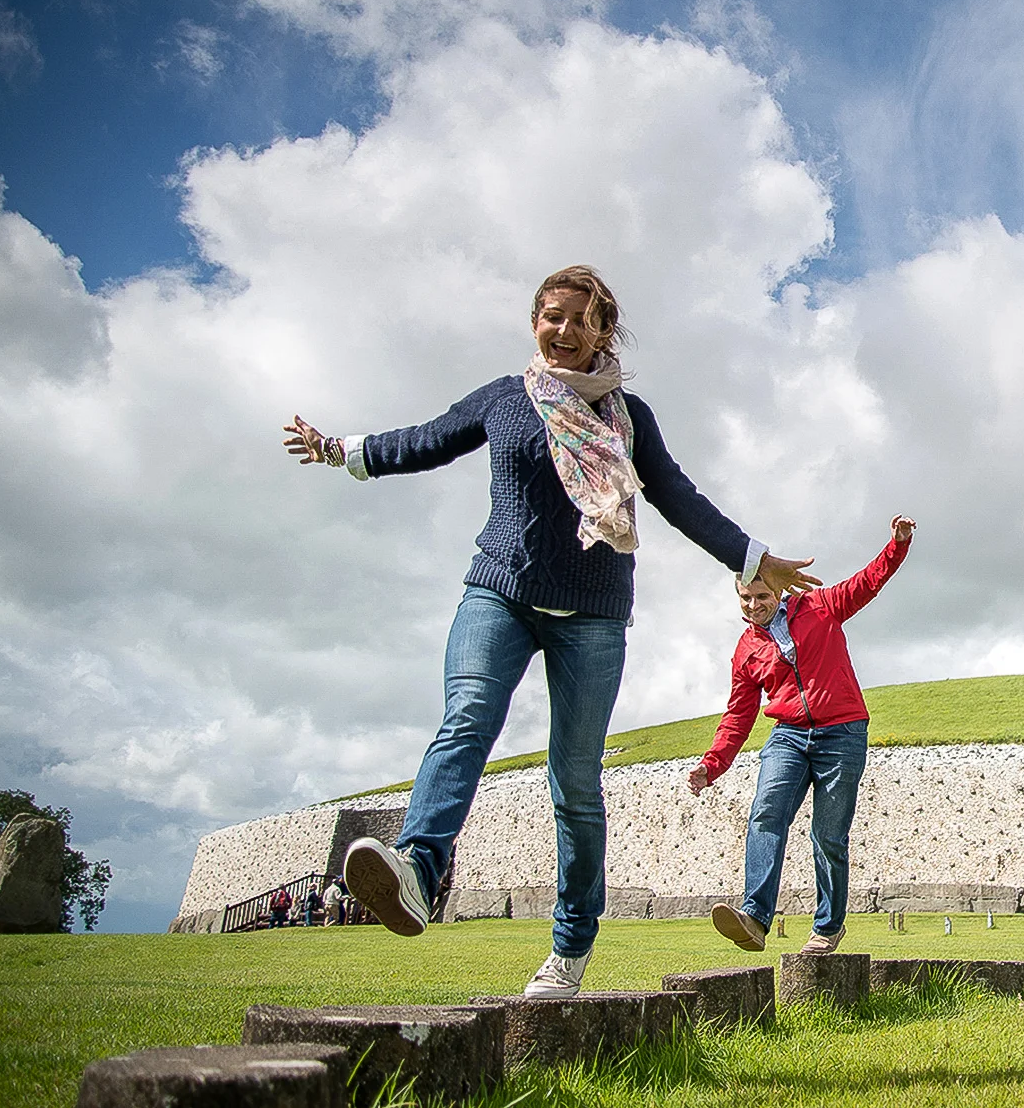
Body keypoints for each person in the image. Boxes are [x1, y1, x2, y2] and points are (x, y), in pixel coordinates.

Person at [282, 265, 819, 997]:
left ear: (603, 330)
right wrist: (342, 449)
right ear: (534, 322)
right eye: (550, 316)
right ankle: (416, 868)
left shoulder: (631, 418)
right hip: (499, 590)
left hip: (593, 615)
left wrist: (754, 558)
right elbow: (428, 438)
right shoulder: (507, 398)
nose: (562, 331)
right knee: (469, 711)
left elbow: (680, 498)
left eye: (579, 319)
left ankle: (569, 948)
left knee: (573, 779)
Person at [692, 514, 914, 954]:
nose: (753, 605)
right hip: (789, 736)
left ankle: (827, 927)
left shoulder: (820, 607)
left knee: (828, 834)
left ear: (779, 592)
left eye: (761, 596)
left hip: (842, 733)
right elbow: (738, 715)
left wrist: (898, 544)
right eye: (745, 598)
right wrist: (711, 764)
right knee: (766, 814)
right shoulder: (746, 651)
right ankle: (755, 917)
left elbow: (869, 582)